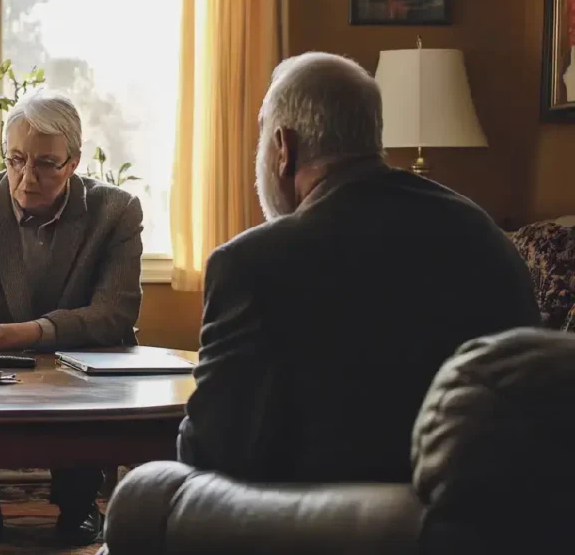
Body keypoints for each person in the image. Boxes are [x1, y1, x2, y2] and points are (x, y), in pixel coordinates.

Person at [178, 52, 540, 485]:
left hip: (324, 526)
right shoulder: (484, 234)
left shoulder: (252, 263)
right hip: (492, 518)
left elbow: (210, 451)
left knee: (149, 492)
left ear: (283, 148)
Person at [0, 89, 143, 545]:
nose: (26, 177)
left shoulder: (115, 211)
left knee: (93, 385)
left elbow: (116, 313)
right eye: (16, 159)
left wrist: (21, 334)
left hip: (78, 373)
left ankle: (79, 506)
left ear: (74, 161)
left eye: (45, 163)